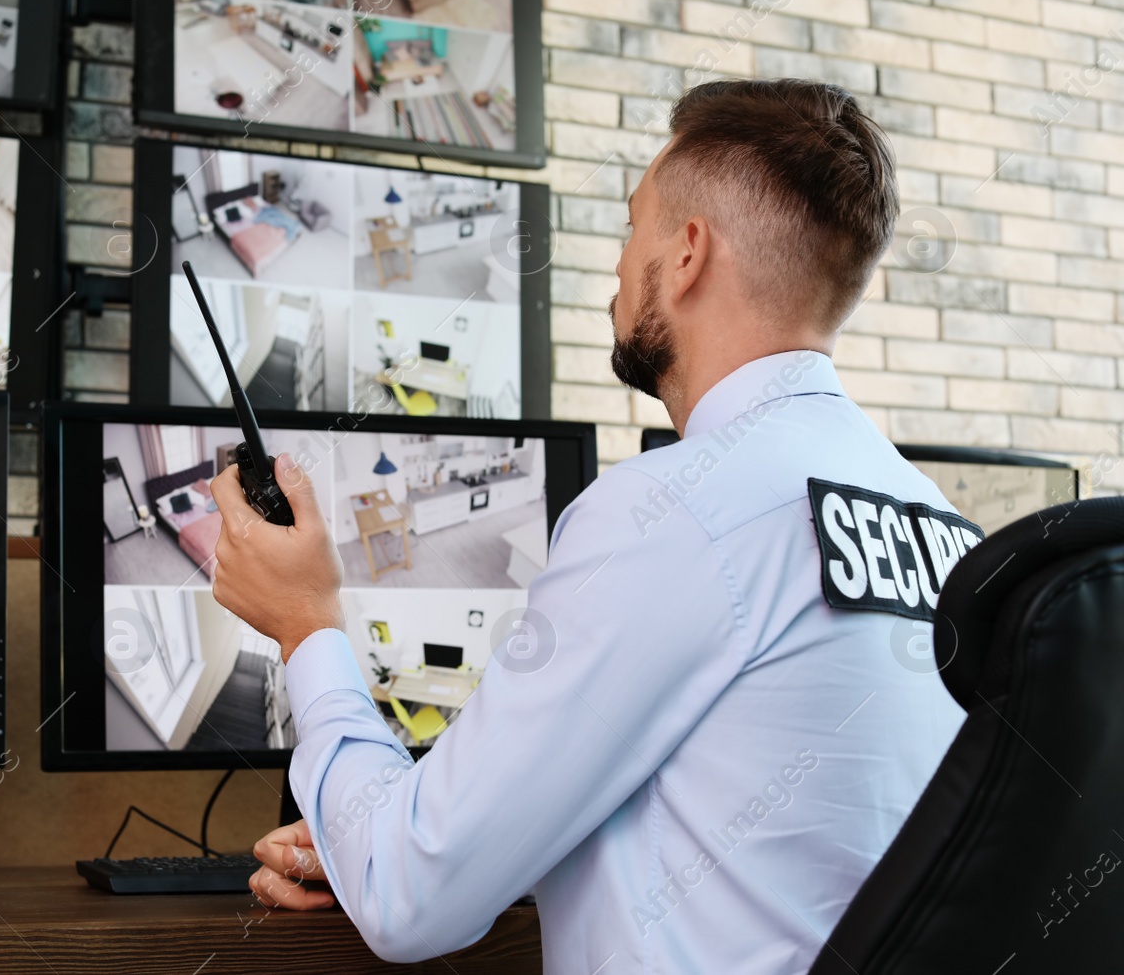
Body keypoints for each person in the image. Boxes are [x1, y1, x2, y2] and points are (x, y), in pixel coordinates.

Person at [207, 79, 972, 973]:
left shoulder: (675, 507)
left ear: (686, 254)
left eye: (631, 225)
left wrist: (307, 624)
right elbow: (775, 848)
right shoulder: (943, 527)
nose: (617, 264)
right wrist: (436, 843)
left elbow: (405, 898)